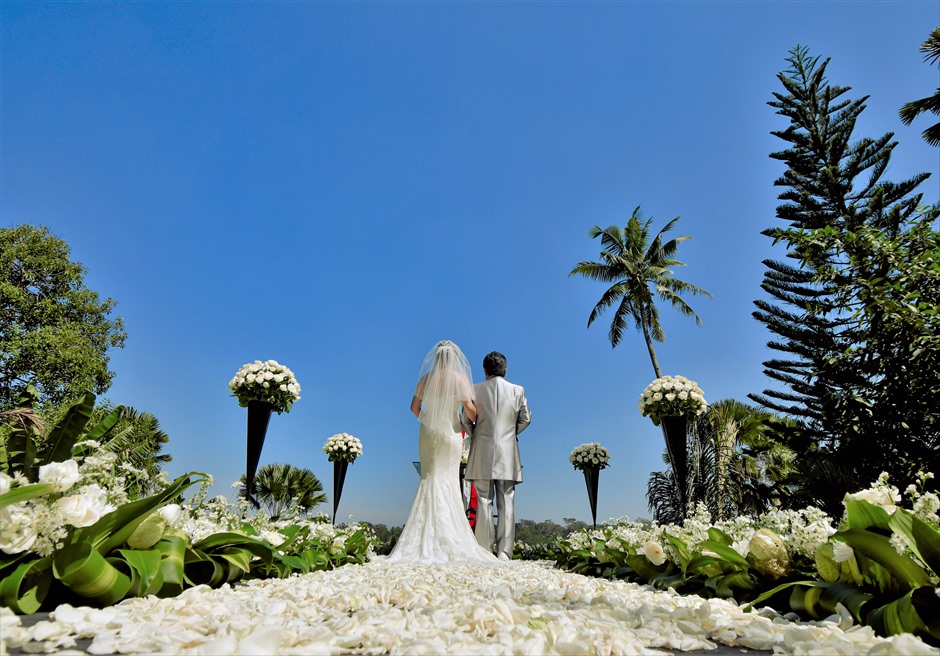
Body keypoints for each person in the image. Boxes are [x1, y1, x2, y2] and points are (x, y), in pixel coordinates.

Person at [385, 340, 502, 565]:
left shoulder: (425, 379)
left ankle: (422, 537)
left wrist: (428, 420)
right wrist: (478, 418)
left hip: (428, 434)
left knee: (429, 478)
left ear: (436, 358)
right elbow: (470, 409)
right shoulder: (459, 380)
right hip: (450, 434)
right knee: (447, 480)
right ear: (454, 360)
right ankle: (450, 535)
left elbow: (413, 408)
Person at [462, 351, 532, 561]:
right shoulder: (518, 390)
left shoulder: (473, 390)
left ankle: (484, 550)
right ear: (506, 369)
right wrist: (510, 435)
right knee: (507, 501)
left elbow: (464, 419)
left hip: (482, 449)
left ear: (485, 371)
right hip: (508, 452)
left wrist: (476, 435)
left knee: (484, 499)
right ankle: (504, 553)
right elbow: (526, 419)